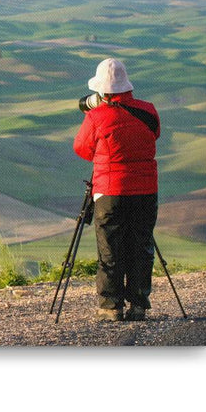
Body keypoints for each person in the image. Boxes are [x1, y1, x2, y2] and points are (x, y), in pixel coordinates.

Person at [73, 58, 160, 321]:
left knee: (110, 249)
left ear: (102, 90)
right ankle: (139, 305)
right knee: (141, 246)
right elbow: (153, 135)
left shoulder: (96, 116)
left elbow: (82, 148)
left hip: (110, 191)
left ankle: (111, 306)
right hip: (146, 190)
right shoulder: (149, 111)